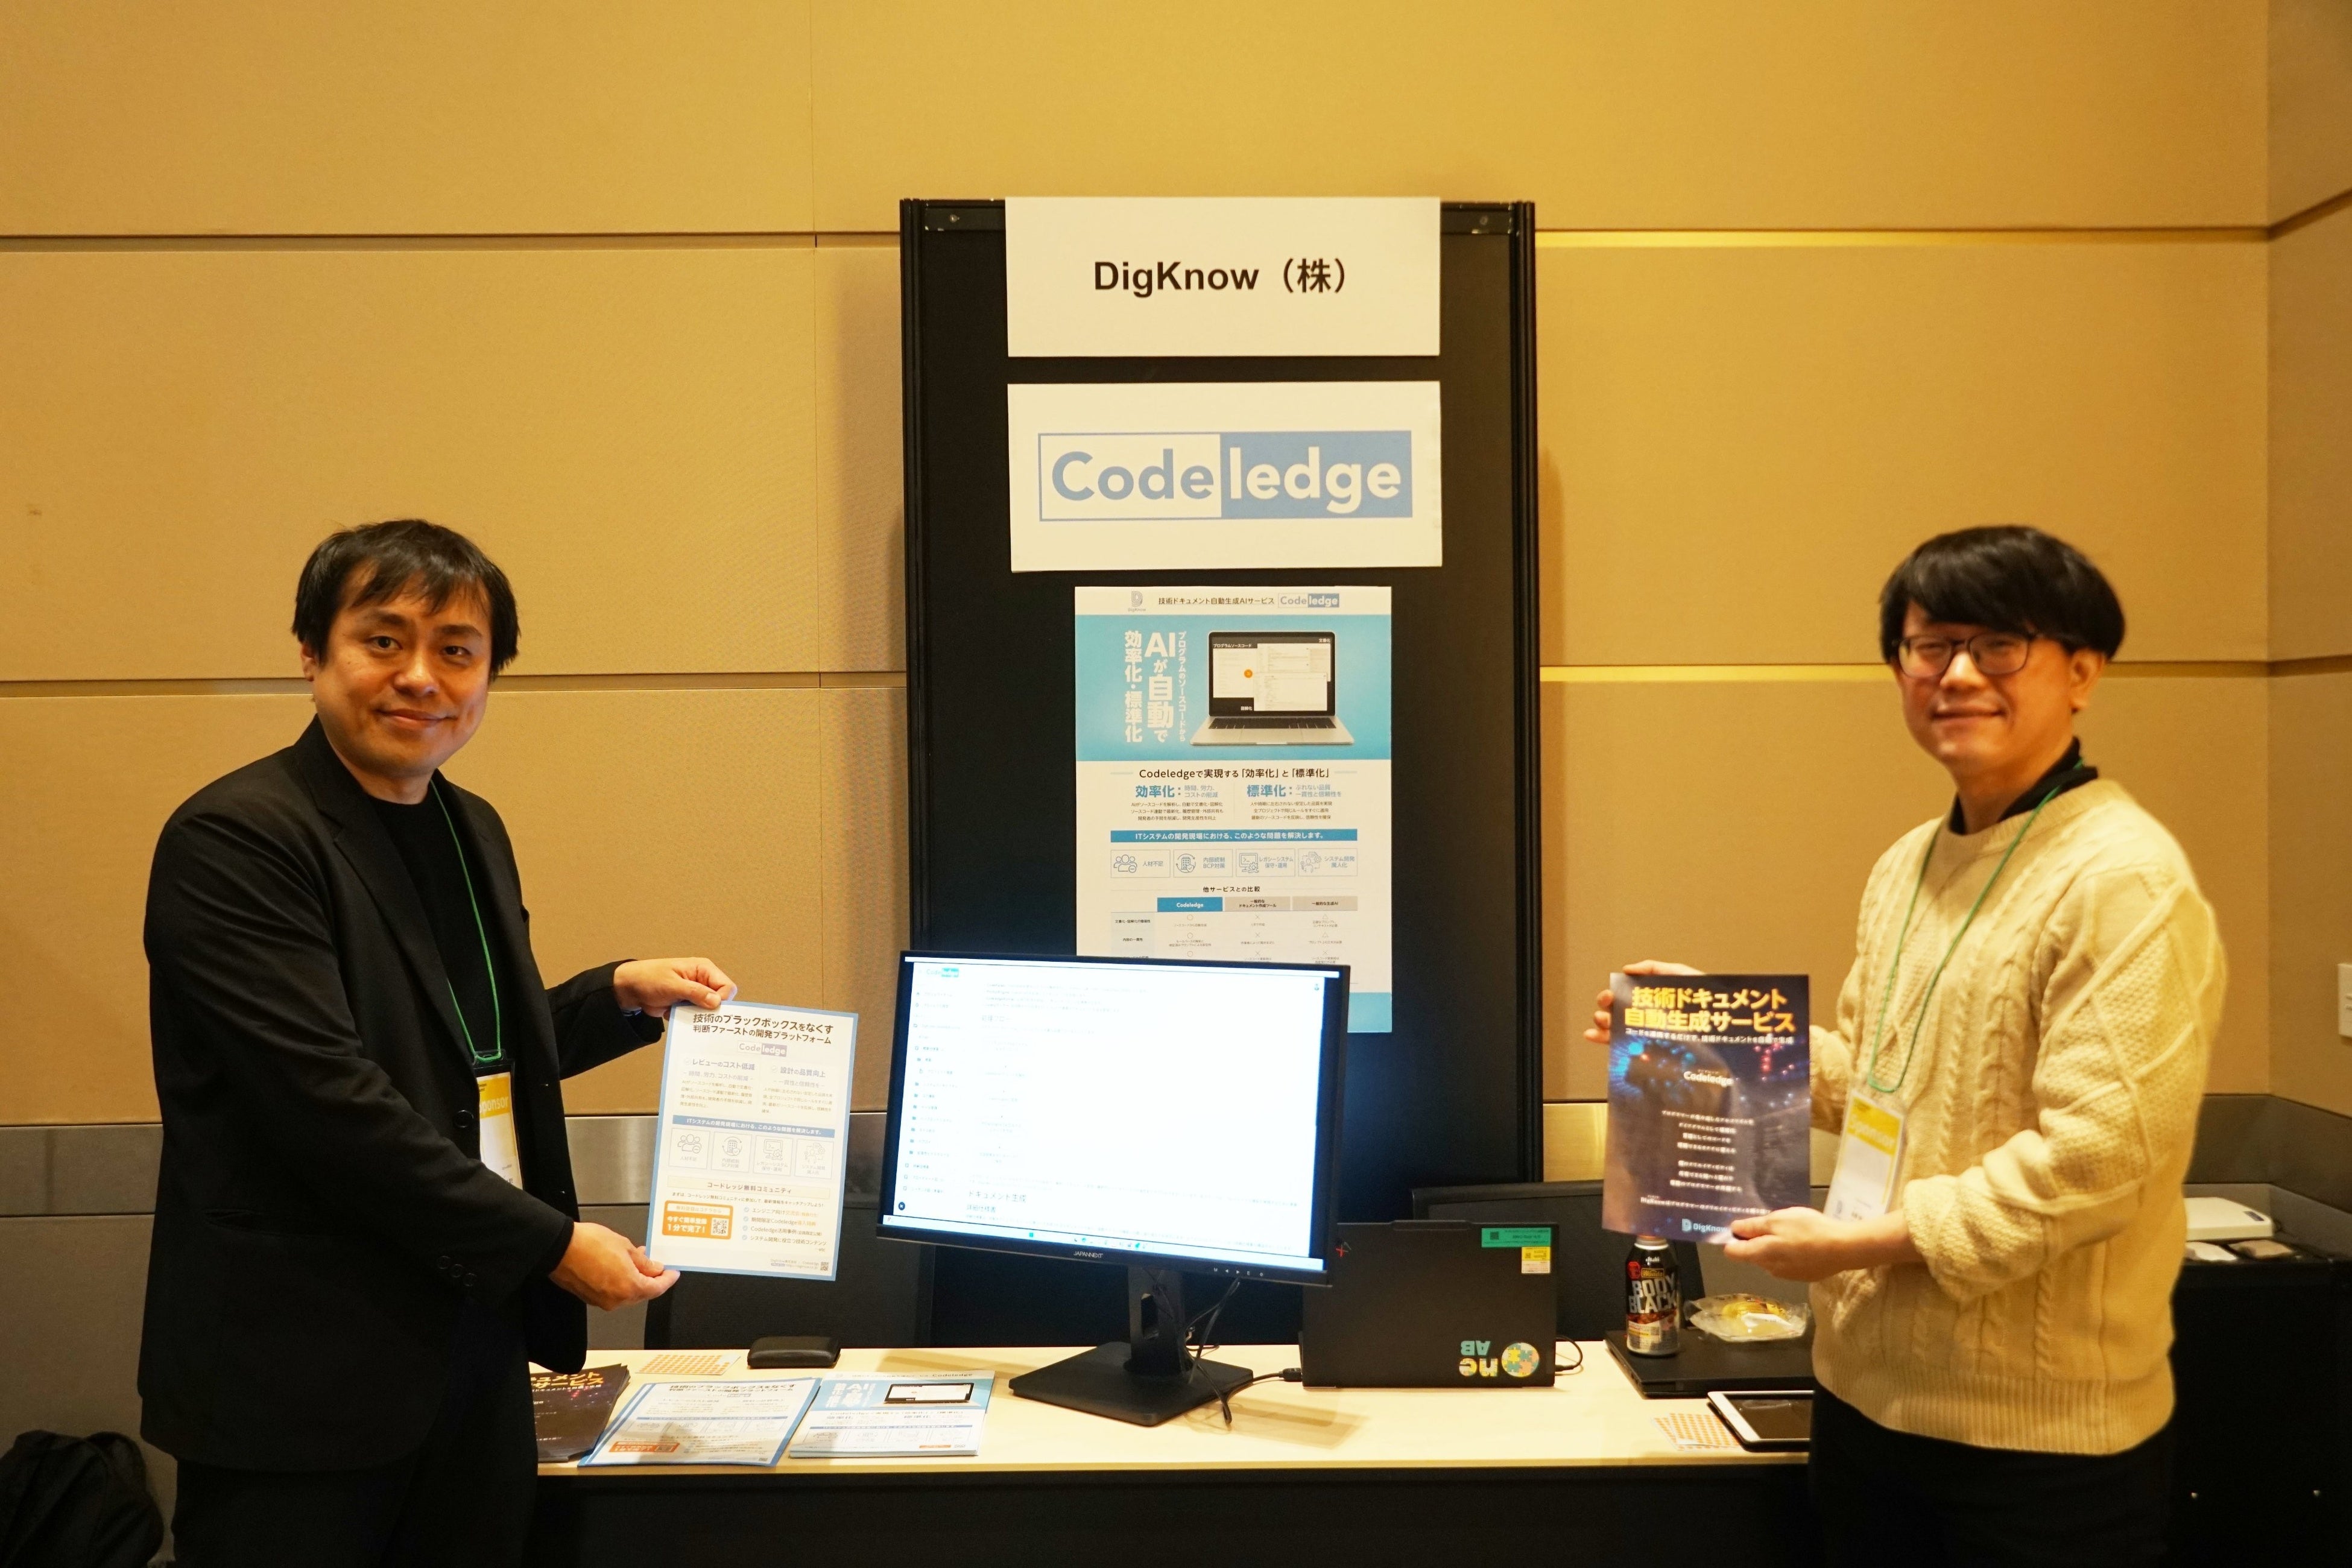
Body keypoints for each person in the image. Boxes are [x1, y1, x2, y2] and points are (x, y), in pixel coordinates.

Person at [1586, 526, 2223, 1566]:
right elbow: (1880, 1083)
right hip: (1864, 1407)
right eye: (1931, 647)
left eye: (1999, 645)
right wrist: (1711, 1033)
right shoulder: (1910, 864)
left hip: (2035, 1455)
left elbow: (2096, 1162)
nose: (1958, 674)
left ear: (2083, 672)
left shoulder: (2123, 880)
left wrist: (1860, 1246)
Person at [140, 520, 739, 1566]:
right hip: (301, 1379)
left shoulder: (470, 827)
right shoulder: (239, 838)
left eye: (457, 651)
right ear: (312, 652)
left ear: (489, 675)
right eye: (384, 641)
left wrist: (617, 998)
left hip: (472, 1344)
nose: (421, 677)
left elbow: (463, 1057)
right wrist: (552, 1245)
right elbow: (329, 1104)